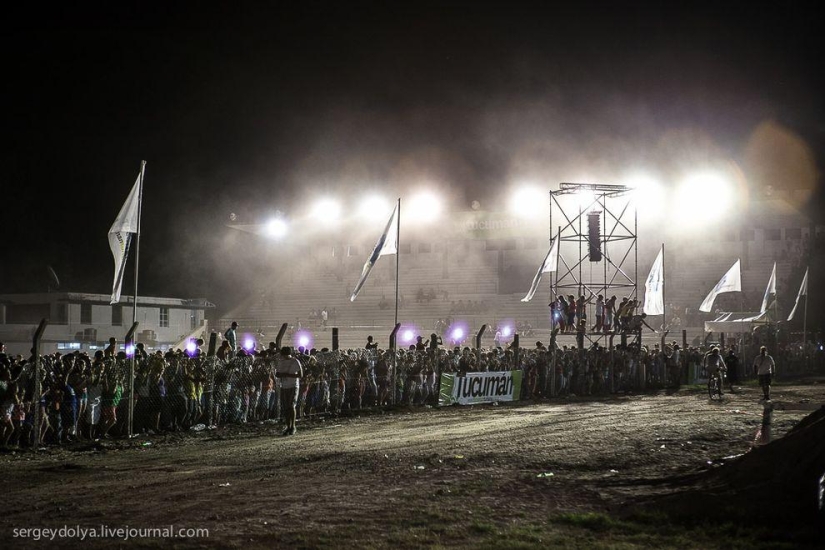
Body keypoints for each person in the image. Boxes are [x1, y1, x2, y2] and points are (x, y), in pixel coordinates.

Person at [276, 346, 303, 436]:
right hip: (284, 386)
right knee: (286, 407)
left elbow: (300, 374)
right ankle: (289, 426)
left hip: (293, 386)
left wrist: (287, 375)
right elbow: (277, 373)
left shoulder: (294, 361)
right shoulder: (281, 362)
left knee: (291, 406)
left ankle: (293, 426)